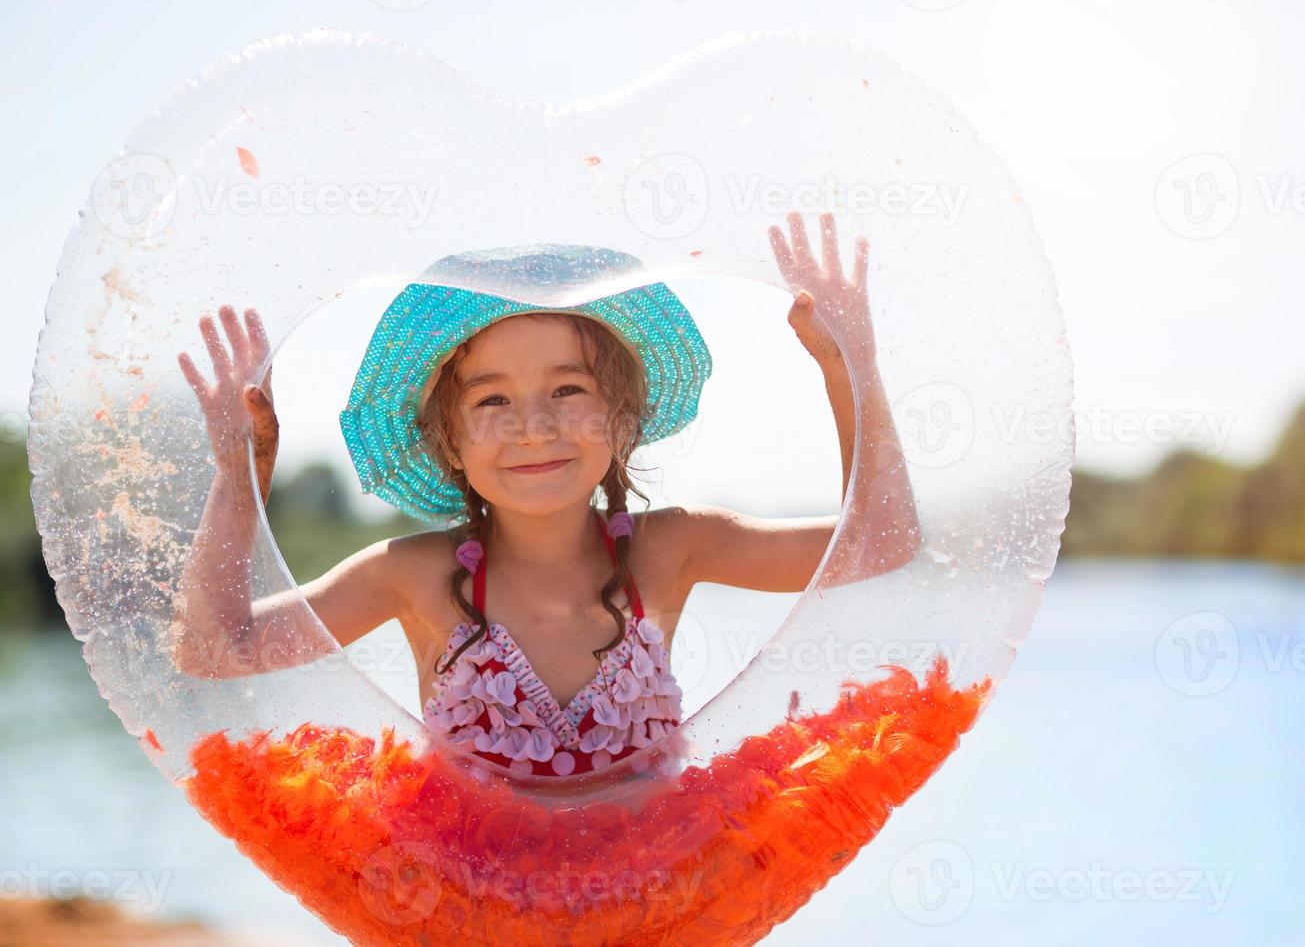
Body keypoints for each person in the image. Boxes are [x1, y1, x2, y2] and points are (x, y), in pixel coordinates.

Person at [171, 212, 919, 778]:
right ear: (449, 442)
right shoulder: (409, 576)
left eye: (568, 388)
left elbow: (882, 540)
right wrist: (243, 473)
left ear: (622, 418)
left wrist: (849, 367)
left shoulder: (676, 548)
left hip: (655, 900)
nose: (534, 426)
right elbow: (212, 650)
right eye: (492, 401)